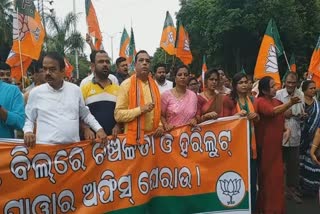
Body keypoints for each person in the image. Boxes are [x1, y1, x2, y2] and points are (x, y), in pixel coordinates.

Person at [23, 52, 107, 146]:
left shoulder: (75, 90)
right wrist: (28, 132)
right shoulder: (36, 93)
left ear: (63, 71)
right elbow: (29, 119)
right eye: (45, 69)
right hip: (46, 152)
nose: (47, 73)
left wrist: (99, 129)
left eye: (52, 69)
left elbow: (85, 114)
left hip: (72, 152)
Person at [255, 76, 300, 214]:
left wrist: (286, 129)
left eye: (276, 85)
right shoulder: (260, 101)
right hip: (265, 146)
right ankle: (267, 209)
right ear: (264, 90)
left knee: (278, 178)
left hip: (277, 147)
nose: (276, 88)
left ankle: (278, 209)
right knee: (268, 180)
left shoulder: (277, 101)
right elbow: (272, 112)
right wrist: (290, 103)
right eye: (273, 86)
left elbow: (282, 116)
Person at [222, 72, 259, 210]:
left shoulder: (252, 99)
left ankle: (252, 209)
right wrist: (237, 116)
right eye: (241, 83)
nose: (244, 85)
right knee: (237, 182)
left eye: (246, 82)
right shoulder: (229, 100)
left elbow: (257, 120)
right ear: (235, 85)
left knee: (252, 181)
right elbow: (223, 123)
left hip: (251, 145)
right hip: (236, 148)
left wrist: (255, 117)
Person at [114, 50, 164, 145]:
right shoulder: (126, 85)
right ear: (135, 64)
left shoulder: (154, 85)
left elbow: (157, 112)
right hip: (133, 141)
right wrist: (140, 110)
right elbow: (118, 115)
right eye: (141, 60)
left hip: (153, 140)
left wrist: (160, 126)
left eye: (147, 61)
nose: (144, 63)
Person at [275, 72, 304, 203]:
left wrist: (297, 114)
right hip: (280, 134)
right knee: (278, 164)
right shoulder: (278, 94)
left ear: (297, 83)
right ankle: (279, 190)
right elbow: (276, 112)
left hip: (295, 135)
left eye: (294, 82)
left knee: (293, 165)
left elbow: (300, 112)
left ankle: (291, 190)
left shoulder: (300, 94)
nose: (291, 85)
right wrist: (286, 113)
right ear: (284, 82)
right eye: (289, 82)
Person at [81, 50, 121, 138]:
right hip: (92, 142)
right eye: (101, 62)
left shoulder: (119, 89)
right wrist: (86, 129)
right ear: (93, 66)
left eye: (107, 62)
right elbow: (79, 113)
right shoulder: (84, 88)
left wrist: (118, 125)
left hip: (114, 142)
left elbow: (122, 112)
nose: (105, 64)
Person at [161, 65, 198, 131]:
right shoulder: (166, 95)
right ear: (175, 78)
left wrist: (194, 120)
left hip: (189, 135)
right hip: (171, 135)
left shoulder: (193, 96)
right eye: (179, 75)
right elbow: (161, 115)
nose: (183, 77)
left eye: (185, 75)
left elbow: (195, 115)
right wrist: (165, 125)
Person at [299, 80, 320, 196]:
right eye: (311, 88)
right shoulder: (299, 102)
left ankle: (311, 188)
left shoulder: (317, 104)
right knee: (300, 163)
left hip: (314, 138)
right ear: (304, 90)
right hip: (300, 137)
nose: (313, 90)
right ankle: (300, 186)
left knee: (311, 163)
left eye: (314, 88)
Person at [0, 63, 25, 138]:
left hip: (5, 146)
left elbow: (20, 123)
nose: (5, 77)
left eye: (8, 74)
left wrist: (1, 110)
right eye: (1, 74)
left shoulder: (13, 90)